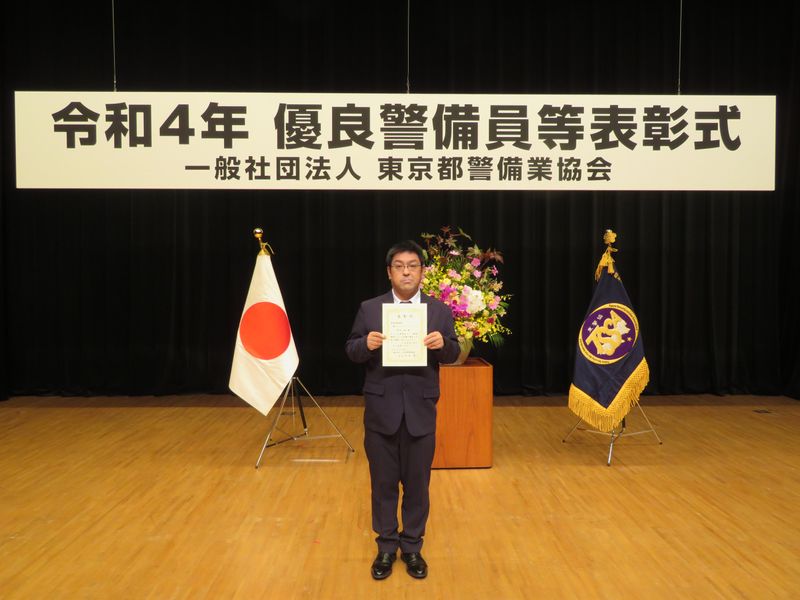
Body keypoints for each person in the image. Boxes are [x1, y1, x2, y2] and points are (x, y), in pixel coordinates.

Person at [345, 240, 460, 580]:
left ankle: (411, 548)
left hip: (421, 411)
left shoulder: (438, 310)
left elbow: (453, 352)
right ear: (389, 272)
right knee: (382, 484)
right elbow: (350, 349)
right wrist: (364, 345)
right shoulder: (370, 308)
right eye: (399, 265)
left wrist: (444, 346)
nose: (406, 271)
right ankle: (385, 548)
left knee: (417, 485)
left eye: (413, 265)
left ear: (422, 271)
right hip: (381, 411)